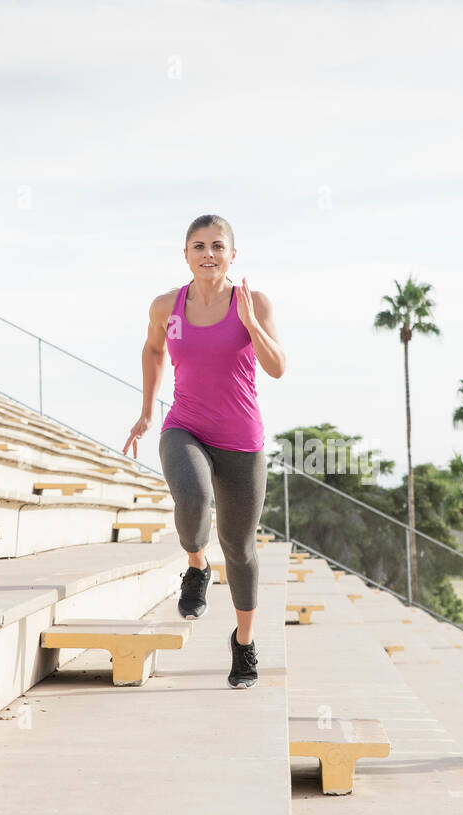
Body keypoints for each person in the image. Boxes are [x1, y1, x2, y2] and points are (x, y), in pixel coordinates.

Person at [123, 214, 287, 688]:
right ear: (186, 255)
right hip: (185, 426)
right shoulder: (165, 306)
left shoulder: (252, 302)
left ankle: (244, 643)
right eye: (199, 246)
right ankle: (196, 565)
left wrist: (253, 325)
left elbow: (277, 368)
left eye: (218, 246)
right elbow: (152, 352)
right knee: (192, 498)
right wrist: (149, 411)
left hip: (241, 440)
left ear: (233, 255)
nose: (208, 254)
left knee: (239, 546)